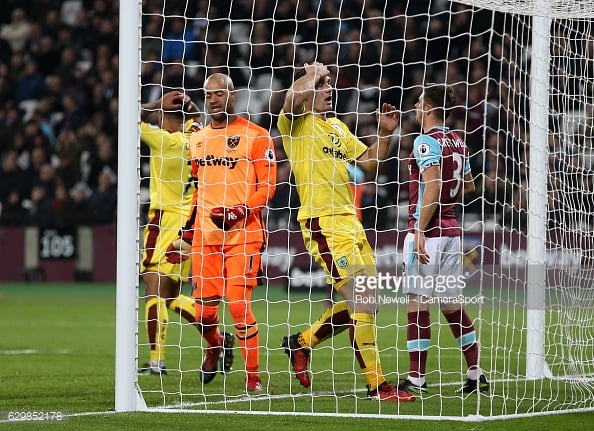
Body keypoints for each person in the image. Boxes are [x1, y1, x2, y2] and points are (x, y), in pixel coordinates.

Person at [277, 61, 414, 402]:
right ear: (309, 90)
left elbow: (368, 164)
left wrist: (384, 133)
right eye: (323, 86)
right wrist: (314, 73)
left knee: (368, 303)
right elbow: (290, 100)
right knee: (362, 301)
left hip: (351, 224)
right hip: (323, 223)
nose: (329, 90)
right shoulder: (295, 124)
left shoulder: (337, 126)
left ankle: (302, 343)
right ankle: (378, 386)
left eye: (330, 85)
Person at [167, 73, 277, 392]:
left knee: (239, 306)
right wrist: (187, 235)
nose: (213, 99)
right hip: (206, 237)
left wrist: (240, 210)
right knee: (203, 315)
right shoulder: (197, 140)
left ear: (233, 96)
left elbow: (268, 186)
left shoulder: (256, 135)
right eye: (209, 95)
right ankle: (216, 344)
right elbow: (200, 191)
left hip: (244, 232)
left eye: (220, 93)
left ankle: (253, 380)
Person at [397, 83, 489, 395]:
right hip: (452, 232)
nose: (415, 105)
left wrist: (420, 229)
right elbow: (470, 186)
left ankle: (416, 380)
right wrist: (444, 204)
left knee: (417, 303)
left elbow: (433, 186)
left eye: (419, 101)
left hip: (429, 234)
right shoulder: (459, 141)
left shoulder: (425, 141)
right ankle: (476, 373)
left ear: (428, 108)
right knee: (451, 305)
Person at [137, 90, 234, 376]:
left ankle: (157, 362)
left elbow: (128, 118)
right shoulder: (196, 137)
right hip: (191, 225)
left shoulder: (163, 140)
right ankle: (217, 339)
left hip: (163, 222)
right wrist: (190, 109)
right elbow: (196, 121)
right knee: (171, 297)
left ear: (166, 117)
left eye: (161, 116)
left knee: (153, 290)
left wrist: (155, 104)